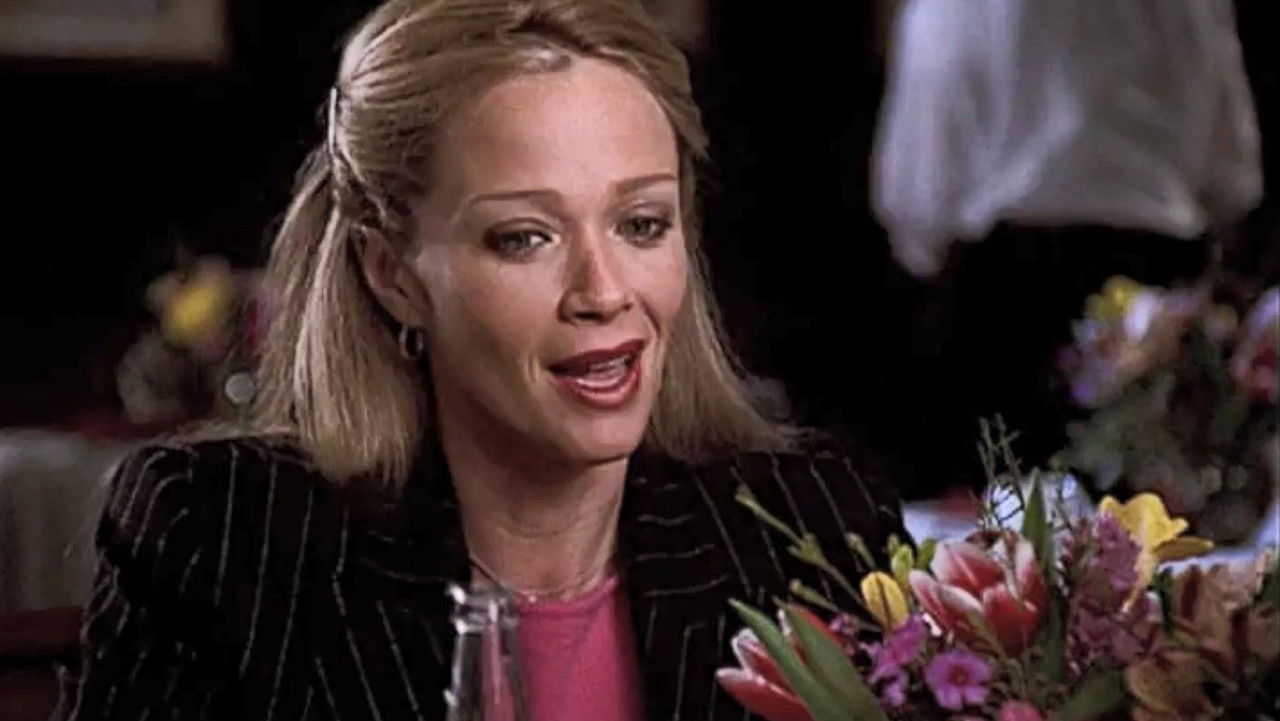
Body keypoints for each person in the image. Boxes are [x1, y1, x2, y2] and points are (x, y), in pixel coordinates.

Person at [54, 2, 907, 720]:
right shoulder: (221, 537)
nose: (604, 291)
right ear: (392, 275)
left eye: (641, 224)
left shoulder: (811, 527)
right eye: (524, 237)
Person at [871, 0, 1262, 477]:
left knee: (1005, 506)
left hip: (1010, 289)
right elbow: (1234, 175)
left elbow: (919, 189)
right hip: (1155, 267)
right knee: (1165, 503)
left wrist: (929, 265)